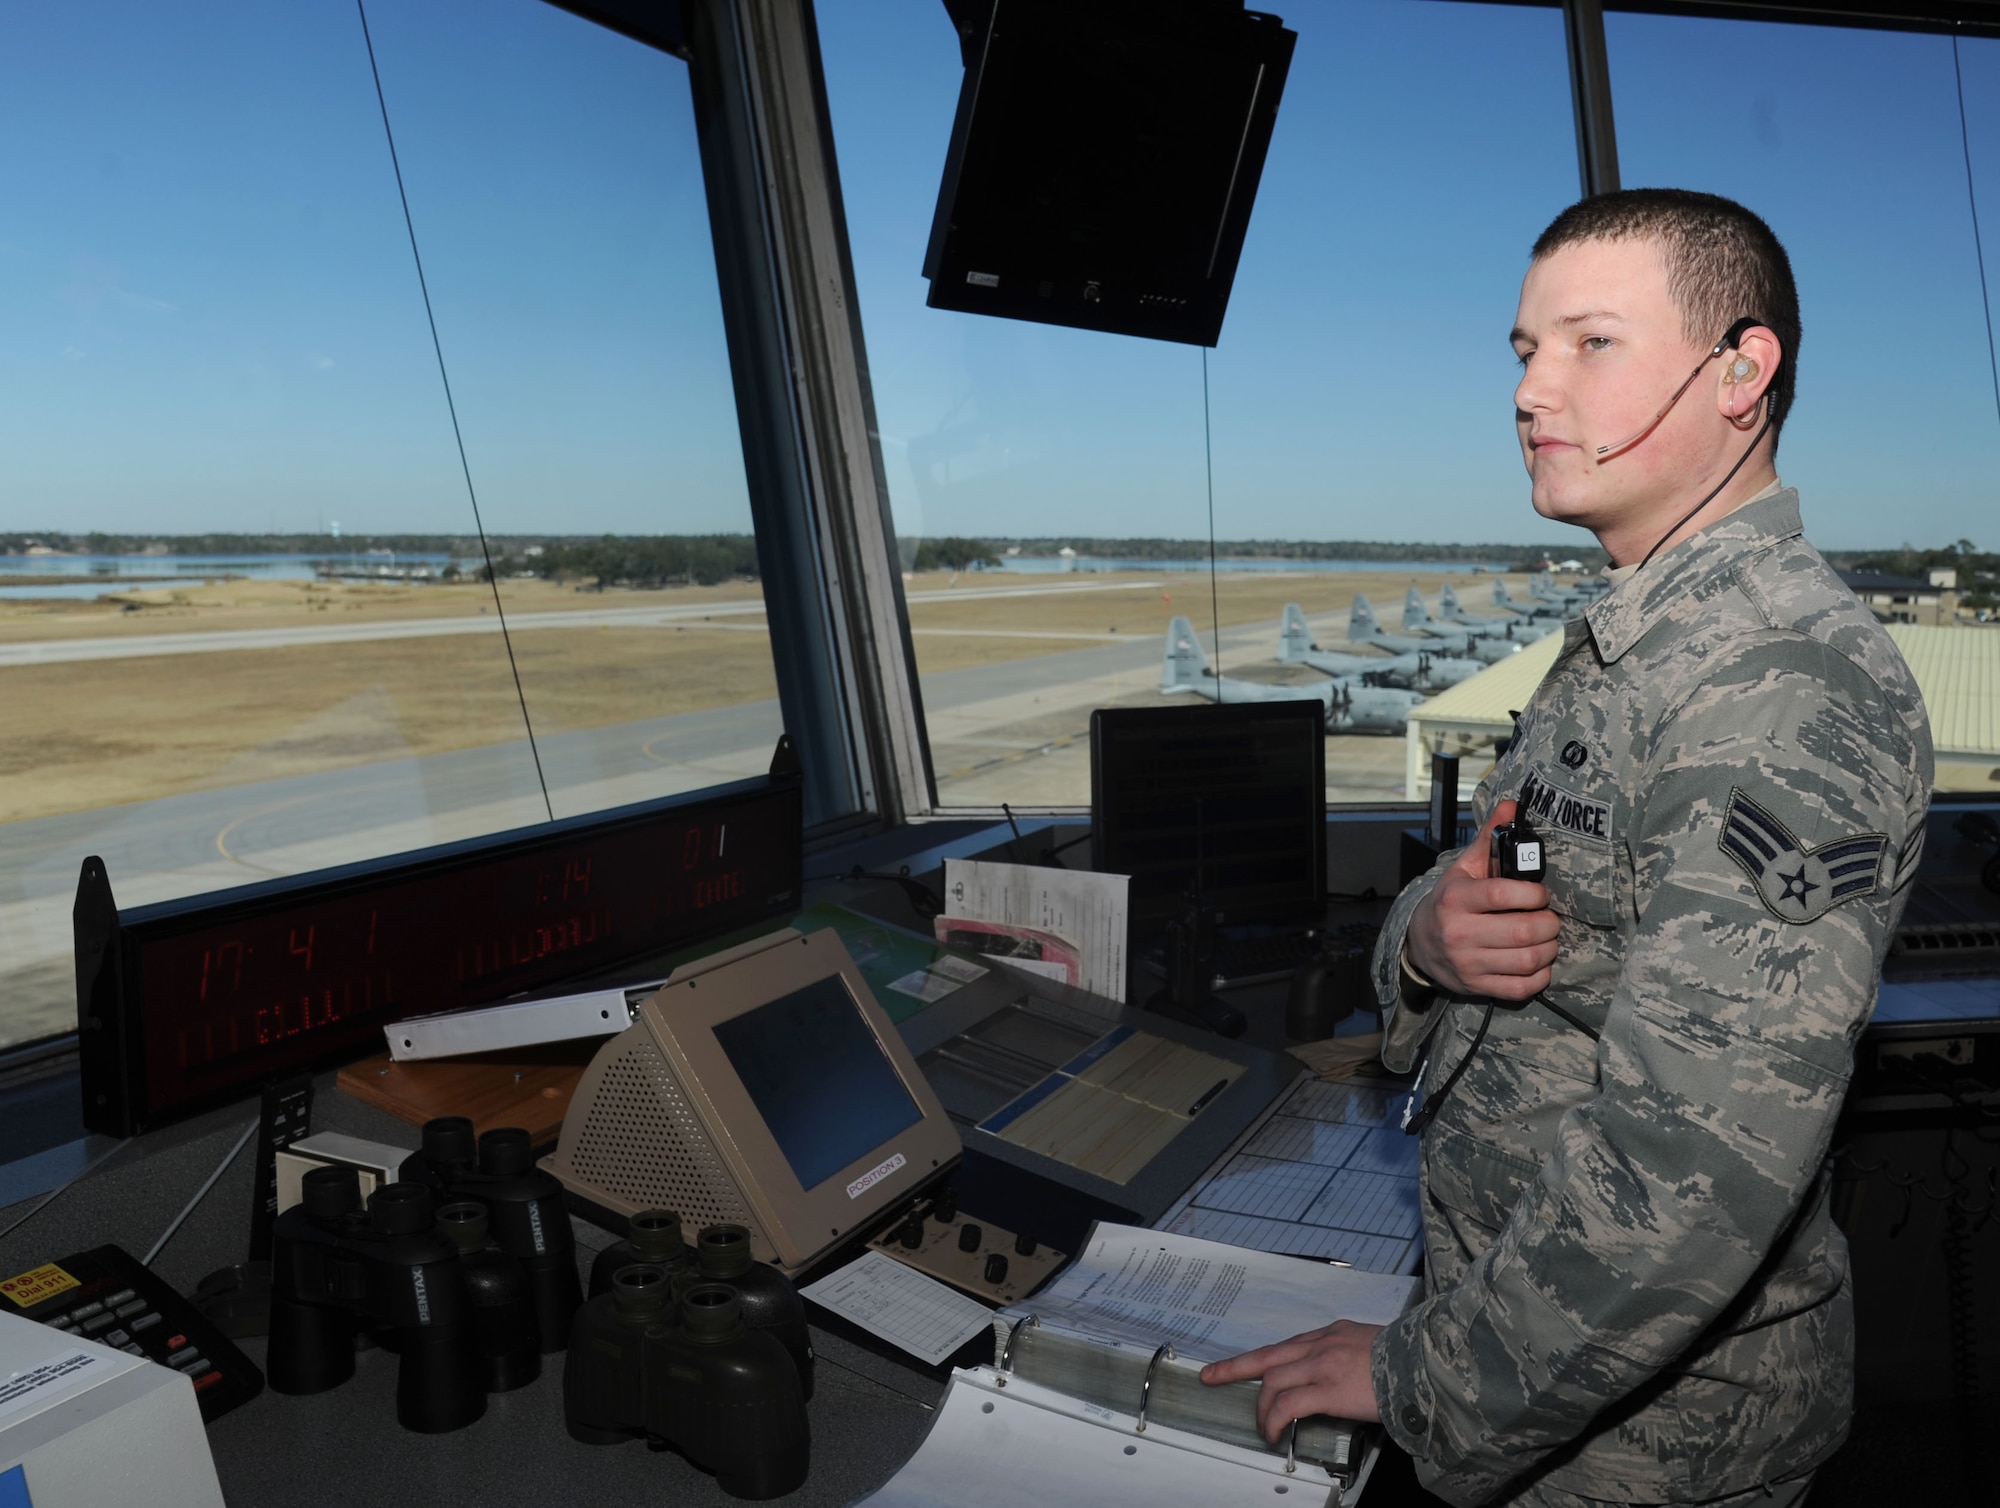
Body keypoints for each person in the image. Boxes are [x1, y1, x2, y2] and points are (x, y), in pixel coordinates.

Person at [1201, 189, 1933, 1506]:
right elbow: (1515, 881)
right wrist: (1431, 936)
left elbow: (1696, 1164)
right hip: (1532, 1344)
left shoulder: (1780, 688)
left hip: (1644, 1445)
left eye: (1590, 344)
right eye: (1524, 351)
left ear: (1741, 373)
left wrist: (1423, 1379)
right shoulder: (1624, 645)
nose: (1534, 391)